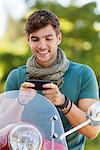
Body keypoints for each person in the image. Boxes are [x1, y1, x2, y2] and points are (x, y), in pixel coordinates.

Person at [5, 9, 99, 150]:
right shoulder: (16, 76)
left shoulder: (83, 74)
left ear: (59, 38)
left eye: (48, 38)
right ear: (28, 40)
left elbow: (92, 131)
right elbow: (4, 128)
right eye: (35, 39)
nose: (42, 46)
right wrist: (20, 102)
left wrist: (63, 102)